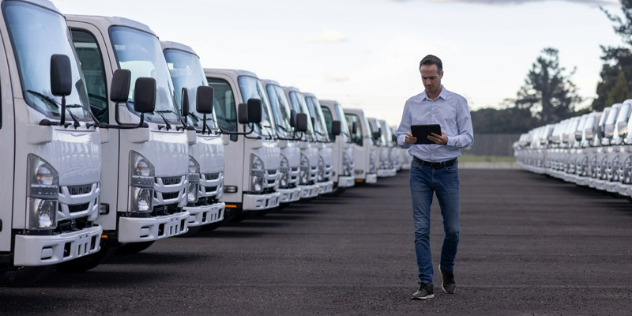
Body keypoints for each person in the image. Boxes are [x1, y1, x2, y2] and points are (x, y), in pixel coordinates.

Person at [396, 55, 474, 300]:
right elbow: (399, 134)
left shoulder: (457, 102)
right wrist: (405, 139)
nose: (427, 82)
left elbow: (468, 137)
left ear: (442, 74)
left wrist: (447, 140)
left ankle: (447, 268)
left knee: (453, 229)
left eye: (431, 77)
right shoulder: (411, 103)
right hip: (419, 170)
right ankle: (425, 283)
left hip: (448, 170)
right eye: (423, 77)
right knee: (421, 229)